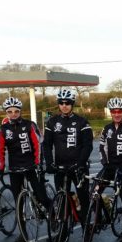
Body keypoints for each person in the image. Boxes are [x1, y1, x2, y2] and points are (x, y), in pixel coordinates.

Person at [0, 97, 52, 242]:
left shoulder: (29, 125)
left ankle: (54, 215)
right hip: (15, 168)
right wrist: (1, 168)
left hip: (31, 166)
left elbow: (38, 144)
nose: (13, 114)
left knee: (40, 195)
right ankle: (23, 233)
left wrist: (37, 163)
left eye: (16, 111)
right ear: (6, 113)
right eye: (10, 112)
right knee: (18, 202)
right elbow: (0, 149)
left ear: (20, 112)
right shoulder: (3, 129)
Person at [42, 89, 93, 224]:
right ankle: (62, 232)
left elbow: (88, 146)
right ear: (58, 104)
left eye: (68, 103)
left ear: (72, 104)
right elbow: (46, 145)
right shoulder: (52, 122)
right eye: (61, 103)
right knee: (62, 200)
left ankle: (86, 228)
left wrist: (81, 163)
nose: (64, 105)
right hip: (60, 168)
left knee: (83, 198)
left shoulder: (82, 122)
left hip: (78, 167)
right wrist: (49, 163)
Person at [98, 97, 122, 212]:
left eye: (119, 111)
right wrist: (105, 162)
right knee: (94, 191)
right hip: (109, 167)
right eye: (113, 111)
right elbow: (101, 147)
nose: (116, 114)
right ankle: (103, 213)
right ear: (110, 112)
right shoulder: (106, 128)